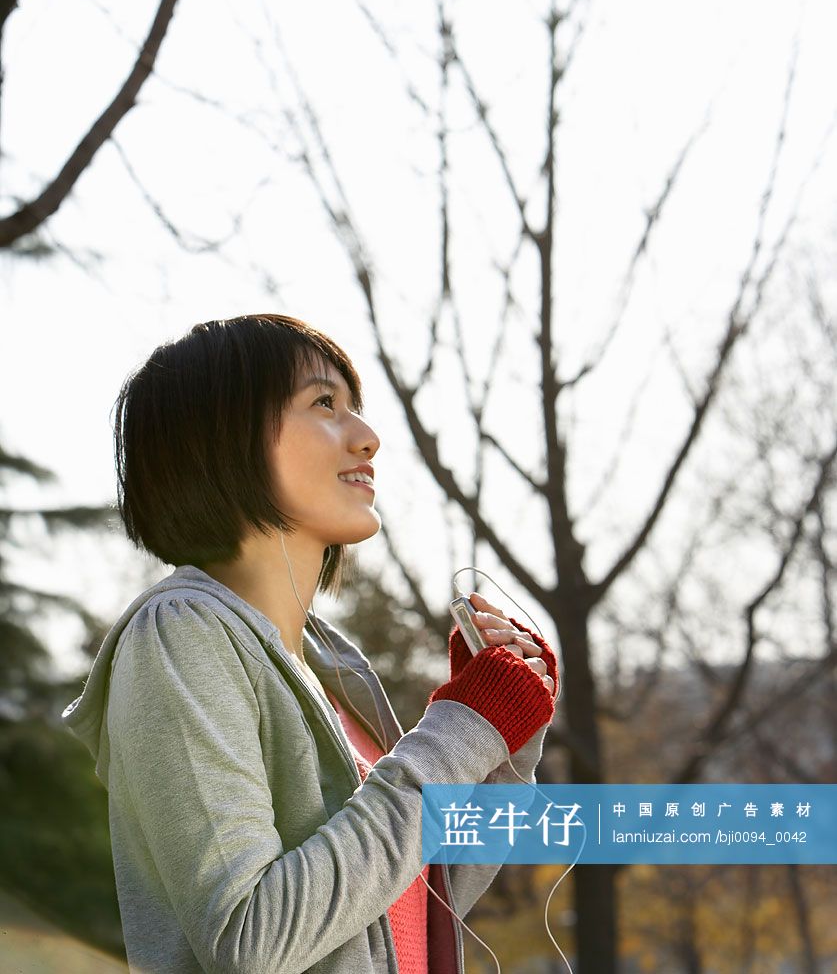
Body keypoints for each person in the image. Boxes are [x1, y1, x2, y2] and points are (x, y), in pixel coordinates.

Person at [63, 313, 559, 974]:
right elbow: (252, 938)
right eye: (324, 403)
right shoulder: (179, 635)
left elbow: (415, 906)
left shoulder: (331, 670)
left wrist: (503, 741)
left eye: (354, 407)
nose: (367, 437)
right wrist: (460, 729)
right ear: (222, 436)